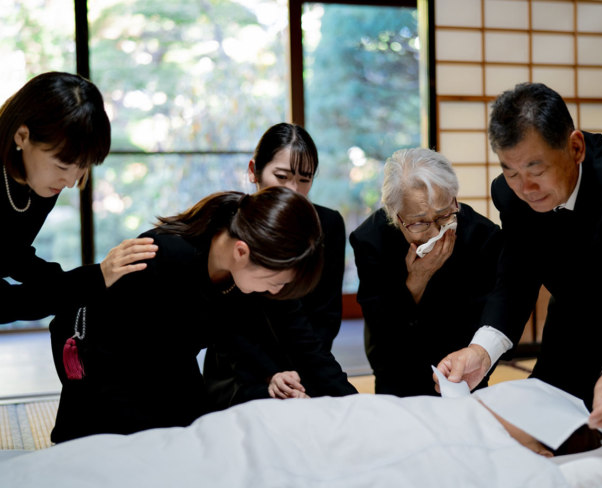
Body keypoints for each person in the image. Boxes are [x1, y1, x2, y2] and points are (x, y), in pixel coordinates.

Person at [49, 186, 356, 443]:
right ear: (241, 252)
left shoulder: (238, 267)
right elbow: (119, 355)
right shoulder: (162, 257)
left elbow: (235, 332)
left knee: (203, 438)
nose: (276, 291)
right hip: (105, 370)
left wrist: (272, 376)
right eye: (276, 282)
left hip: (167, 366)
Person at [436, 82, 602, 436]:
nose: (526, 188)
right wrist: (480, 351)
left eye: (536, 171)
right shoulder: (509, 195)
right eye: (511, 171)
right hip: (569, 330)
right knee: (540, 434)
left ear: (575, 147)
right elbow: (515, 280)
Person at [202, 122, 348, 405]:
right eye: (281, 176)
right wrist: (271, 374)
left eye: (305, 179)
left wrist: (303, 377)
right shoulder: (232, 225)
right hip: (240, 367)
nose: (293, 190)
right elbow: (228, 325)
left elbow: (325, 317)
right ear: (253, 171)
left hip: (305, 362)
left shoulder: (328, 225)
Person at [0, 71, 158, 324]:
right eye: (62, 166)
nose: (71, 182)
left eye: (83, 167)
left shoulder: (38, 180)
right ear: (22, 136)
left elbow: (12, 256)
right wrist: (92, 280)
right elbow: (6, 303)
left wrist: (98, 278)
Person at [349, 148, 502, 396]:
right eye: (420, 222)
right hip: (397, 368)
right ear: (396, 215)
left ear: (454, 200)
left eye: (443, 216)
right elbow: (381, 327)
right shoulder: (372, 240)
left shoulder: (482, 236)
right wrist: (416, 281)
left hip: (462, 372)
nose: (435, 233)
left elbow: (487, 320)